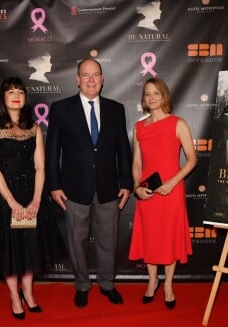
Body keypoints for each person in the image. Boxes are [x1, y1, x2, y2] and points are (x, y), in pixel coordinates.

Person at [46, 58, 133, 308]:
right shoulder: (61, 109)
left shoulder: (116, 109)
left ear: (103, 79)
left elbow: (123, 150)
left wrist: (126, 182)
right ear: (77, 80)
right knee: (77, 241)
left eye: (96, 75)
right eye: (86, 75)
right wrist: (54, 185)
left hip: (109, 188)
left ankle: (107, 284)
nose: (91, 80)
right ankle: (82, 285)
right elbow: (52, 151)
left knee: (108, 241)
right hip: (73, 189)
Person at [0, 77, 45, 320]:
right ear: (3, 97)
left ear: (25, 97)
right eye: (10, 91)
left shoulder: (34, 128)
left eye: (20, 91)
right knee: (10, 249)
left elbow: (40, 167)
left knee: (29, 246)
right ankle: (15, 296)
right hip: (3, 197)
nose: (16, 95)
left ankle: (29, 293)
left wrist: (35, 200)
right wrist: (12, 202)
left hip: (29, 195)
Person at [129, 78, 197, 309]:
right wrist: (137, 187)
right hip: (147, 191)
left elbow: (192, 159)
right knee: (150, 236)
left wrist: (172, 182)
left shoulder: (178, 123)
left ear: (164, 96)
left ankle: (168, 284)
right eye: (147, 94)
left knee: (168, 237)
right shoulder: (139, 127)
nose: (151, 98)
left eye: (156, 93)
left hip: (171, 191)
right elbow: (137, 162)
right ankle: (152, 281)